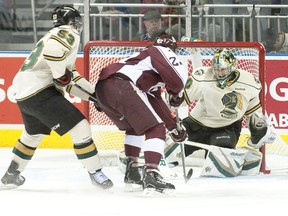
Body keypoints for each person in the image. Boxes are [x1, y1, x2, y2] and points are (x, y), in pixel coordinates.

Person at [1, 5, 113, 189]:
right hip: (39, 92)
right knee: (81, 128)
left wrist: (94, 96)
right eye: (75, 21)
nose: (77, 25)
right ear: (70, 21)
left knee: (32, 135)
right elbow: (57, 65)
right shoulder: (66, 33)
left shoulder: (53, 36)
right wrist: (61, 74)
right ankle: (96, 173)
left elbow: (70, 79)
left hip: (25, 95)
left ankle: (12, 173)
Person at [94, 34, 187, 193]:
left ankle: (133, 171)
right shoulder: (159, 51)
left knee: (135, 127)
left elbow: (154, 100)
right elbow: (177, 81)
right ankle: (152, 173)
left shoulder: (142, 63)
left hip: (103, 89)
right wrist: (176, 94)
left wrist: (173, 127)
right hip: (121, 86)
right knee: (156, 129)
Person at [182, 49, 274, 163]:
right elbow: (181, 101)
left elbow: (253, 112)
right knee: (171, 147)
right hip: (196, 125)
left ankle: (235, 157)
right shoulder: (202, 77)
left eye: (223, 69)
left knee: (222, 158)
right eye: (216, 69)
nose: (219, 73)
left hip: (226, 129)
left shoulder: (249, 82)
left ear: (232, 67)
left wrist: (259, 128)